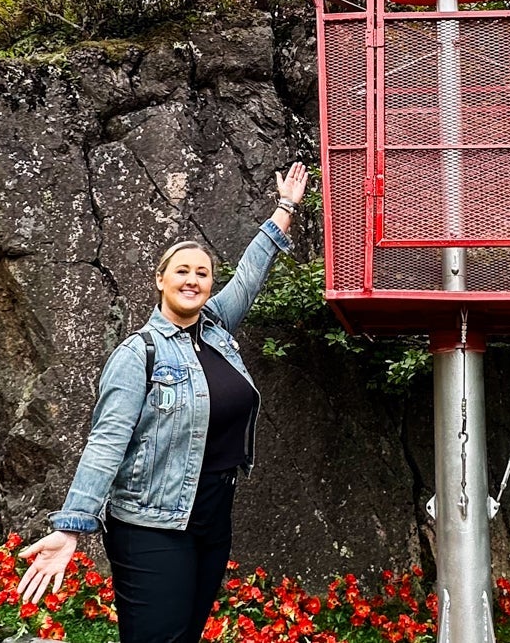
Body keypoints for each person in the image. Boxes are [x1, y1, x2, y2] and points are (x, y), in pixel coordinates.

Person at [16, 161, 310, 643]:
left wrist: (285, 208)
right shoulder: (139, 353)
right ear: (160, 280)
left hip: (212, 514)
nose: (193, 280)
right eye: (182, 271)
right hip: (151, 523)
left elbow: (252, 273)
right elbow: (107, 441)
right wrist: (72, 526)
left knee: (186, 633)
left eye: (203, 273)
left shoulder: (216, 329)